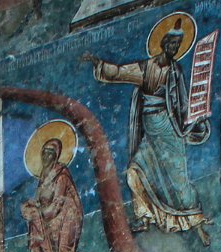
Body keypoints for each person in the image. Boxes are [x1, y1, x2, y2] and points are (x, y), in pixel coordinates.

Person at [87, 25, 211, 237]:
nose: (174, 48)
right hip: (150, 129)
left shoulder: (175, 71)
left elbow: (182, 102)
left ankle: (196, 222)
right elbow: (120, 72)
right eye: (171, 43)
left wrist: (195, 119)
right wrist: (99, 64)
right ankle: (145, 216)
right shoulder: (145, 68)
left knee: (178, 177)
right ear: (163, 43)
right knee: (134, 172)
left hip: (168, 128)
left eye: (177, 45)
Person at [20, 135, 128, 252]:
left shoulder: (61, 176)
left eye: (50, 153)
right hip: (54, 222)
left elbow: (55, 206)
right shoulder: (44, 177)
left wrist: (36, 211)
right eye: (44, 152)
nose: (46, 156)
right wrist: (30, 206)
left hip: (68, 221)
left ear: (56, 155)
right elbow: (42, 203)